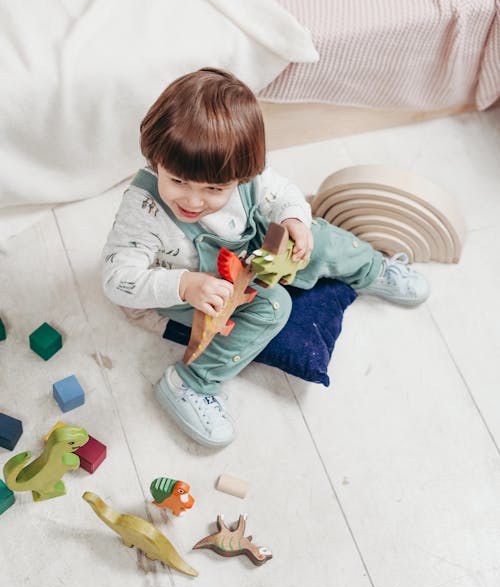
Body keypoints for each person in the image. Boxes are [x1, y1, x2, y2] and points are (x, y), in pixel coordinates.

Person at [102, 68, 429, 448]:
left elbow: (284, 194)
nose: (192, 200)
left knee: (315, 234)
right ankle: (190, 383)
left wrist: (295, 221)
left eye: (214, 189)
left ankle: (372, 269)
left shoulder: (244, 174)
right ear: (155, 158)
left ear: (242, 174)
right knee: (272, 306)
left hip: (245, 252)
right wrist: (183, 285)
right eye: (177, 181)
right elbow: (115, 279)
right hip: (193, 285)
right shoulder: (144, 209)